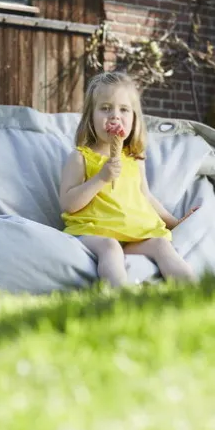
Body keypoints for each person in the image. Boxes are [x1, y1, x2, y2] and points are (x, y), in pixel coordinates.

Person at [59, 71, 198, 287]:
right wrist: (101, 178)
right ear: (90, 117)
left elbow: (146, 197)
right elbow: (68, 204)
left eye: (124, 109)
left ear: (134, 119)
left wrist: (175, 223)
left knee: (162, 245)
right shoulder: (81, 157)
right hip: (94, 231)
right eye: (105, 108)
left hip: (133, 234)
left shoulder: (134, 159)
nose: (115, 116)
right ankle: (119, 296)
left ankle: (195, 292)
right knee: (110, 247)